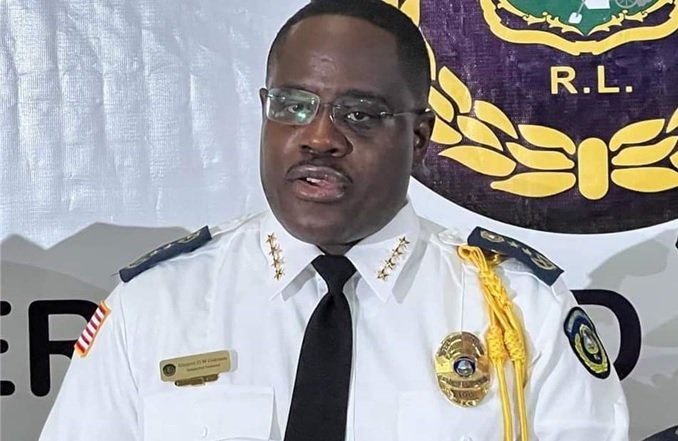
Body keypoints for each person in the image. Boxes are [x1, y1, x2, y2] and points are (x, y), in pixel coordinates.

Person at [39, 1, 629, 440]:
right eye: (293, 106)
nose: (319, 137)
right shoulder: (155, 305)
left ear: (419, 137)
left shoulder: (521, 311)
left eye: (360, 114)